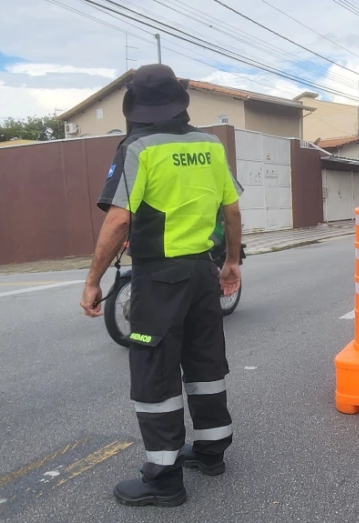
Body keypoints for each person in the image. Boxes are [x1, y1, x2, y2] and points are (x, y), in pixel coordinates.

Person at [79, 64, 243, 507]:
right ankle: (211, 453)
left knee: (156, 375)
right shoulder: (211, 145)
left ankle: (164, 479)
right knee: (205, 362)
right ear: (179, 102)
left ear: (137, 108)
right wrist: (230, 261)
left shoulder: (138, 146)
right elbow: (231, 211)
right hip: (203, 275)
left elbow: (118, 218)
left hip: (159, 277)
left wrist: (93, 281)